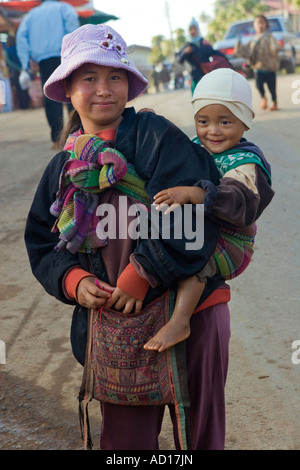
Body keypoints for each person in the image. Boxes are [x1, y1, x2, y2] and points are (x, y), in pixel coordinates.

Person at [24, 23, 233, 450]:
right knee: (125, 443)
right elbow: (43, 243)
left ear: (129, 86)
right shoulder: (62, 169)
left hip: (193, 312)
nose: (104, 89)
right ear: (66, 88)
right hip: (115, 325)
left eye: (114, 77)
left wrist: (142, 273)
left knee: (200, 432)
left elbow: (196, 216)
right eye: (89, 78)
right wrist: (75, 282)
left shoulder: (158, 138)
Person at [144, 68, 274, 353]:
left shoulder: (245, 162)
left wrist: (197, 194)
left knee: (195, 259)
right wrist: (149, 126)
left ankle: (180, 320)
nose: (212, 131)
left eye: (225, 121)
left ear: (245, 123)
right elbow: (169, 149)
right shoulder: (196, 146)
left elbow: (239, 202)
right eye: (203, 121)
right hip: (200, 229)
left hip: (230, 242)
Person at [16, 0, 80, 146]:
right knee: (73, 93)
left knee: (51, 97)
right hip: (65, 56)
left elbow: (21, 38)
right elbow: (73, 29)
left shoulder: (31, 15)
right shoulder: (64, 8)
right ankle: (76, 135)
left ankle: (57, 139)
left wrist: (25, 63)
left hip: (43, 60)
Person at [234, 14, 280, 111]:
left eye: (262, 22)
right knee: (259, 86)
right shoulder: (253, 40)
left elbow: (275, 47)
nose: (260, 25)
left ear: (266, 24)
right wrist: (238, 43)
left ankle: (274, 102)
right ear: (254, 25)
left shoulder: (270, 37)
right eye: (258, 23)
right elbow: (246, 52)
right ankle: (263, 98)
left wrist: (276, 48)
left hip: (270, 68)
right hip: (258, 68)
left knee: (272, 87)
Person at [176, 17, 228, 94]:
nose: (193, 31)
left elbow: (214, 52)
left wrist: (225, 57)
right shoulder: (187, 46)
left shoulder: (204, 43)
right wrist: (185, 52)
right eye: (191, 29)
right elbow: (178, 60)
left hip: (206, 76)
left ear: (198, 29)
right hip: (195, 78)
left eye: (194, 28)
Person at [4, 35, 30, 110]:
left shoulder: (7, 50)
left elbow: (9, 62)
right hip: (23, 70)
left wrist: (17, 68)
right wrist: (23, 68)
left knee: (18, 89)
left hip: (15, 72)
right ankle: (27, 104)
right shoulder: (18, 48)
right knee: (25, 88)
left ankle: (22, 106)